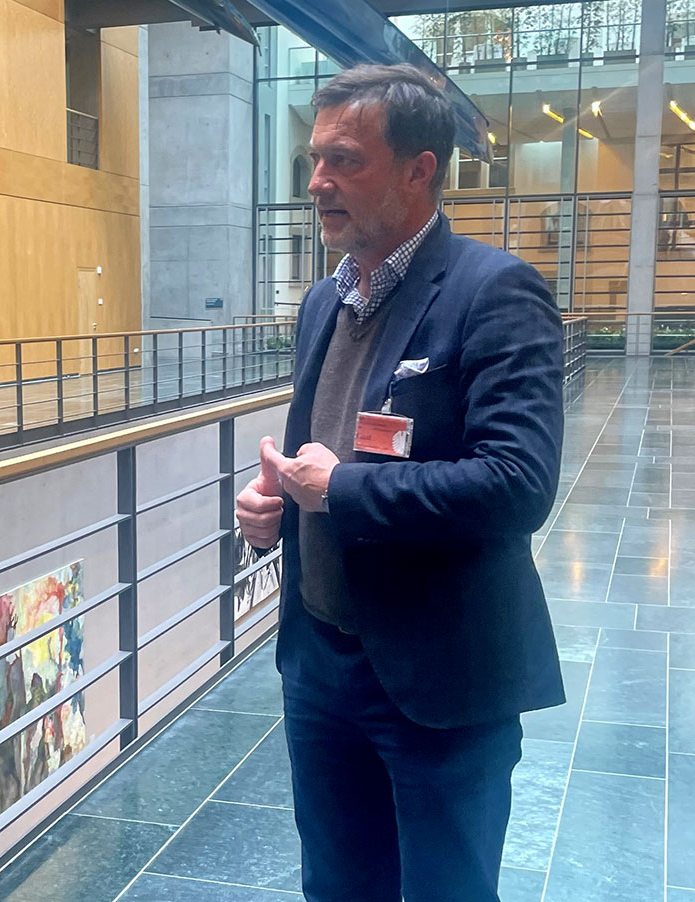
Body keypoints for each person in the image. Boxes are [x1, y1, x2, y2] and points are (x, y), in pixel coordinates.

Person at [235, 64, 565, 902]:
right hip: (321, 663)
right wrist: (275, 509)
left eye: (345, 161)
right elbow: (322, 456)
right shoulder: (325, 302)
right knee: (337, 887)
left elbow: (518, 482)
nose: (318, 181)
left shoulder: (494, 293)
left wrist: (338, 493)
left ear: (420, 170)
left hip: (438, 676)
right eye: (316, 159)